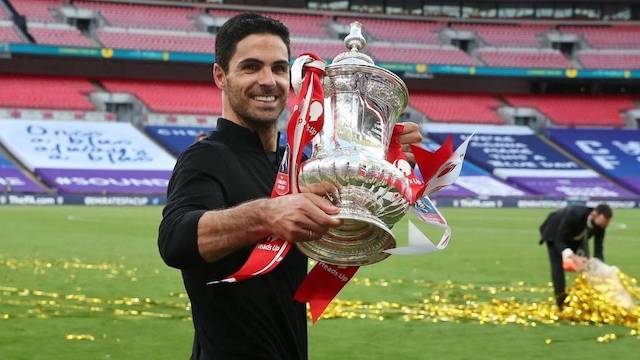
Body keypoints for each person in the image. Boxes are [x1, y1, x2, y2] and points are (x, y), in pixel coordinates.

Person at [157, 13, 423, 360]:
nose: (268, 81)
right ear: (220, 76)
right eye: (251, 67)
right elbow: (175, 240)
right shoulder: (205, 157)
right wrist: (268, 214)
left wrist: (384, 163)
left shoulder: (299, 166)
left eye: (279, 69)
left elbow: (351, 229)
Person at [538, 203, 613, 309]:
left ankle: (586, 298)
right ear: (595, 214)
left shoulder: (600, 225)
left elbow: (598, 248)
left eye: (606, 224)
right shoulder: (574, 214)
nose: (604, 226)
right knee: (558, 266)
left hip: (576, 238)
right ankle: (561, 302)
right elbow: (560, 240)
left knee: (586, 264)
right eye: (604, 222)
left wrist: (601, 267)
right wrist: (573, 257)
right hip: (555, 233)